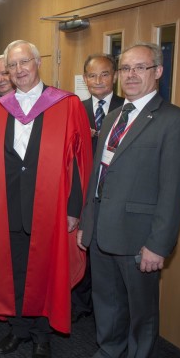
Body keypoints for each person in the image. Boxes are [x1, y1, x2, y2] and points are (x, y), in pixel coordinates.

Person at [72, 42, 180, 358]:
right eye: (126, 68)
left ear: (157, 72)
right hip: (101, 232)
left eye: (140, 68)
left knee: (142, 313)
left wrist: (158, 244)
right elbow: (97, 175)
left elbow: (174, 191)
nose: (131, 75)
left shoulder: (176, 121)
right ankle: (108, 356)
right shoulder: (113, 117)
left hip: (140, 237)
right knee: (107, 304)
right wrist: (87, 221)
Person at [0, 40, 93, 358]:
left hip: (50, 207)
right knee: (13, 269)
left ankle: (42, 335)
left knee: (44, 270)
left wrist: (74, 209)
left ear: (37, 62)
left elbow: (81, 161)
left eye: (24, 62)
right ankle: (18, 328)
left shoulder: (66, 104)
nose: (19, 70)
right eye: (12, 65)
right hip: (7, 206)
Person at [71, 53, 124, 324]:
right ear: (85, 79)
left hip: (115, 194)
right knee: (82, 248)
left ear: (114, 77)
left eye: (104, 74)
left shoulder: (126, 108)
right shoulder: (75, 109)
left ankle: (106, 311)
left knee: (107, 255)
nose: (98, 80)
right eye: (92, 75)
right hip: (83, 191)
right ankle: (80, 305)